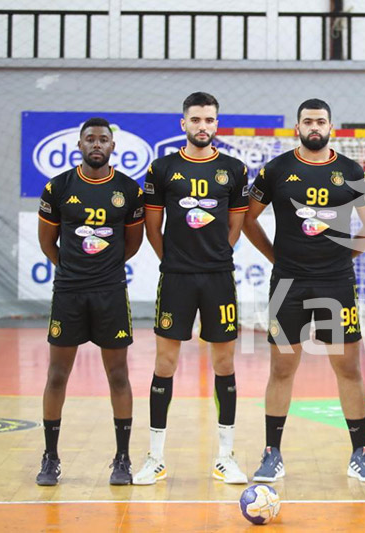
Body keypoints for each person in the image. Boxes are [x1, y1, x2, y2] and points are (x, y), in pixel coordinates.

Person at [243, 98, 365, 483]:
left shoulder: (351, 170)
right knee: (282, 369)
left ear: (331, 126)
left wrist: (343, 258)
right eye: (308, 121)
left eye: (321, 121)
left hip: (336, 284)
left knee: (348, 369)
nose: (314, 127)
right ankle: (272, 453)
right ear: (297, 128)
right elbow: (247, 220)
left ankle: (360, 453)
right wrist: (274, 256)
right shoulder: (276, 170)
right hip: (288, 283)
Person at [133, 92, 250, 485]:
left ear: (217, 125)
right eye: (196, 119)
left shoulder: (234, 169)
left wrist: (215, 256)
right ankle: (155, 458)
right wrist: (178, 261)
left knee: (225, 365)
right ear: (183, 124)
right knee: (164, 364)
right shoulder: (162, 168)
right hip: (177, 278)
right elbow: (152, 227)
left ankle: (225, 456)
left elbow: (235, 227)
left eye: (209, 120)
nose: (203, 126)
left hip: (218, 277)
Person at [36, 117, 145, 486]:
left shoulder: (128, 190)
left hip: (111, 292)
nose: (96, 144)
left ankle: (123, 458)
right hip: (68, 292)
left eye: (103, 140)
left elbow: (132, 244)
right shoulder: (59, 187)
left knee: (118, 375)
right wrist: (73, 271)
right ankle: (50, 457)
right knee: (56, 375)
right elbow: (48, 242)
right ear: (79, 145)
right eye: (90, 139)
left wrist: (104, 270)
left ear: (113, 147)